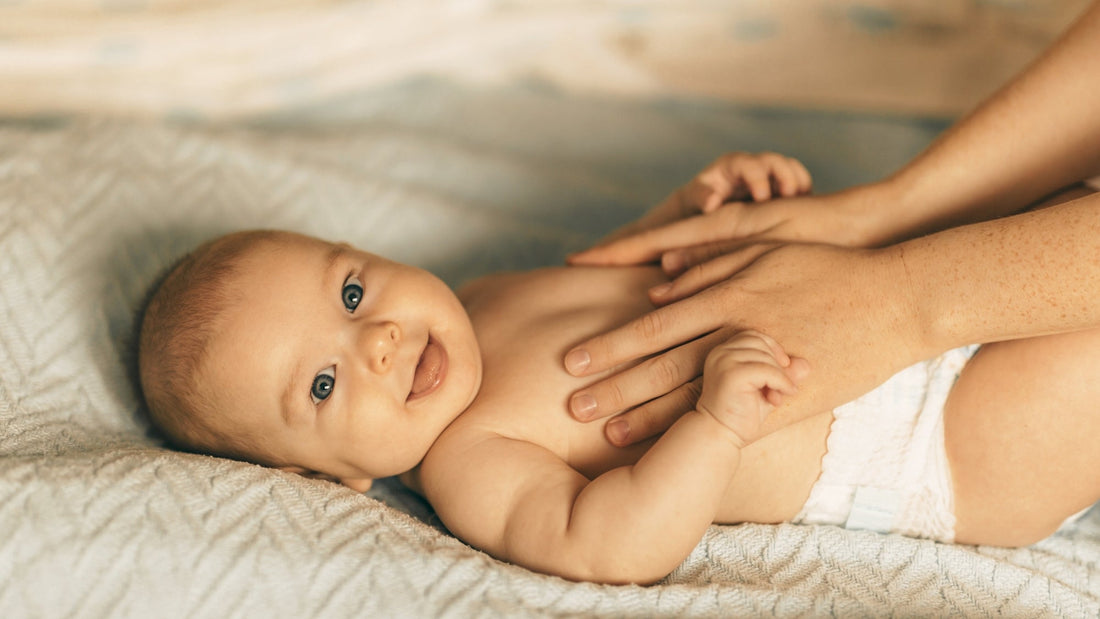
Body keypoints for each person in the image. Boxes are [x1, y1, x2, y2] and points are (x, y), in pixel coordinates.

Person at [138, 154, 1100, 584]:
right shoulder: (471, 460)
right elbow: (610, 543)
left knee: (1068, 204)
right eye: (323, 385)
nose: (377, 340)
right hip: (930, 444)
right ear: (336, 476)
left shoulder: (485, 297)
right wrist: (714, 427)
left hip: (906, 290)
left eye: (351, 294)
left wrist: (690, 208)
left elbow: (619, 273)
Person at [563, 0, 1100, 448]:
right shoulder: (480, 443)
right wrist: (887, 214)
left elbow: (605, 551)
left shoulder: (477, 336)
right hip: (940, 427)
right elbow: (602, 547)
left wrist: (897, 298)